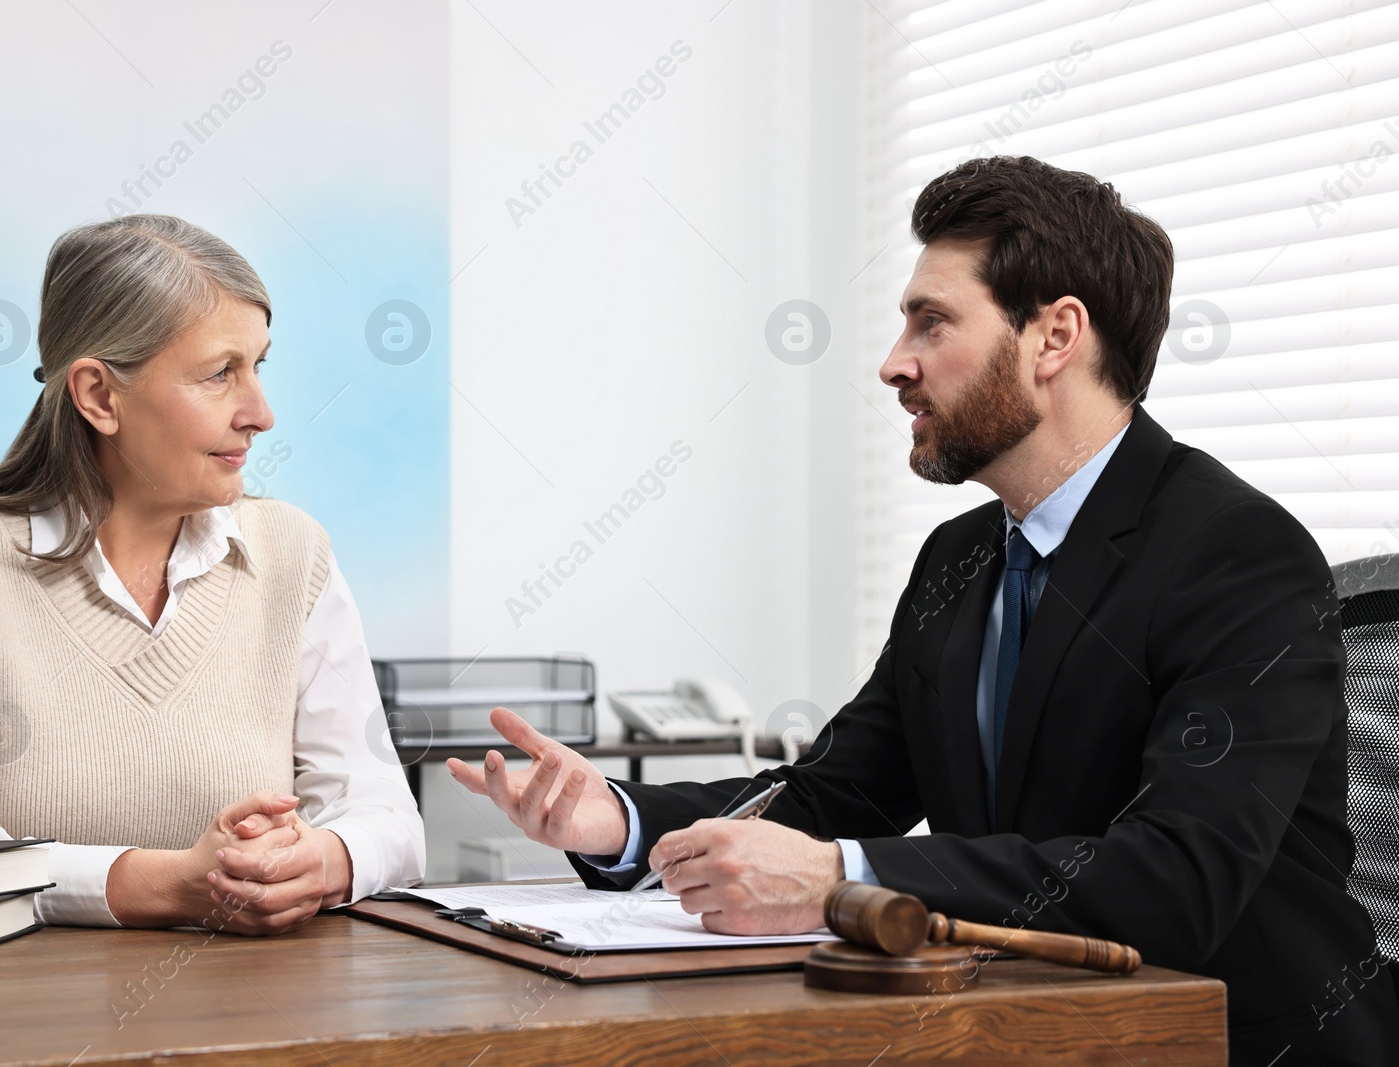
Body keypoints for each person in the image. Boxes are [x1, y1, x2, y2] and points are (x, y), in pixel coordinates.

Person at [449, 157, 1398, 1062]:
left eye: (930, 323)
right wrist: (615, 821)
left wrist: (840, 879)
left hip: (1232, 1043)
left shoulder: (1237, 552)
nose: (893, 364)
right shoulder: (961, 558)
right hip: (1020, 1032)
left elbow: (1178, 879)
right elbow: (833, 792)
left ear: (1055, 337)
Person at [0, 214, 424, 933]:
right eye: (221, 373)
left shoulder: (293, 551)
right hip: (16, 1031)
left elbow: (389, 819)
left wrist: (325, 859)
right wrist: (166, 883)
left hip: (262, 1017)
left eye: (259, 366)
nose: (261, 413)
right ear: (99, 395)